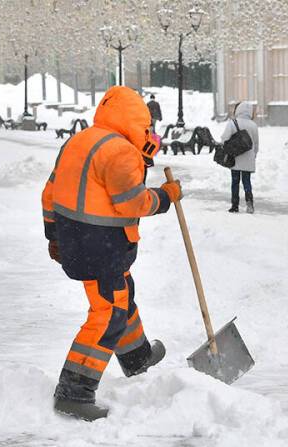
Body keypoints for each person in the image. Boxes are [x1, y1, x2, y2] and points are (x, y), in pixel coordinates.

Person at [41, 86, 182, 421]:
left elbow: (49, 192)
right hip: (100, 248)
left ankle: (137, 357)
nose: (150, 134)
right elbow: (132, 202)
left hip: (77, 243)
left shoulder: (79, 141)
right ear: (136, 122)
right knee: (109, 314)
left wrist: (53, 235)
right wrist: (165, 197)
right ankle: (74, 391)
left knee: (122, 296)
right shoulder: (121, 152)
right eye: (147, 127)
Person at [220, 101, 259, 213]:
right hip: (248, 158)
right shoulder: (253, 125)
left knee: (235, 182)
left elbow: (225, 139)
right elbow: (256, 144)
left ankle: (235, 205)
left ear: (238, 110)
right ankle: (249, 203)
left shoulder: (233, 123)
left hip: (235, 157)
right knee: (247, 182)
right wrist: (253, 155)